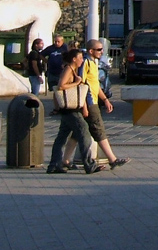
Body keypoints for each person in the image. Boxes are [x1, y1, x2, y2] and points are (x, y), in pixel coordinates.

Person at [61, 39, 129, 170]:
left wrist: (105, 99)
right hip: (89, 102)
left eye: (102, 49)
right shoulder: (85, 62)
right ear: (91, 51)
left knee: (77, 132)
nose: (101, 51)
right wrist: (85, 105)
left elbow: (95, 85)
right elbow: (82, 84)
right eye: (98, 49)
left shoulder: (94, 63)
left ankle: (65, 160)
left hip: (94, 101)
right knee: (98, 129)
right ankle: (112, 159)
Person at [47, 49, 104, 175]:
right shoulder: (68, 69)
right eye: (80, 58)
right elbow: (61, 86)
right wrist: (76, 82)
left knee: (61, 137)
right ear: (74, 59)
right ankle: (89, 164)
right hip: (70, 109)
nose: (82, 60)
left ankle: (54, 164)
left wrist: (83, 106)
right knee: (84, 134)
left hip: (69, 109)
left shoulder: (74, 70)